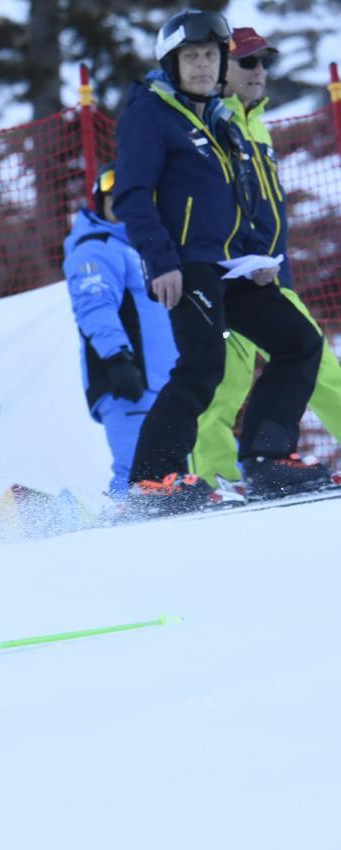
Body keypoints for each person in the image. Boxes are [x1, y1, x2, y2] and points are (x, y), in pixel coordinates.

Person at [113, 9, 331, 515]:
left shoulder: (216, 116)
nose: (202, 66)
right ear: (171, 62)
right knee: (203, 366)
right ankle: (153, 480)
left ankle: (267, 459)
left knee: (300, 343)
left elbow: (237, 199)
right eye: (191, 57)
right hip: (185, 264)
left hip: (231, 266)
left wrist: (256, 255)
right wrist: (161, 260)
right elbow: (132, 194)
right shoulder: (151, 112)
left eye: (210, 55)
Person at [191, 26, 341, 490]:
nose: (259, 71)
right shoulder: (216, 121)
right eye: (247, 62)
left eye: (264, 62)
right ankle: (217, 480)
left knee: (319, 368)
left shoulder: (256, 122)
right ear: (221, 71)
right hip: (231, 277)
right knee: (225, 387)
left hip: (271, 275)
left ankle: (230, 476)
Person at [63, 163, 179, 500]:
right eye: (115, 200)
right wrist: (118, 359)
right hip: (129, 380)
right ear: (101, 203)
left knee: (165, 478)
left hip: (164, 384)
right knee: (139, 473)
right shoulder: (96, 247)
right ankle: (118, 528)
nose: (124, 208)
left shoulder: (147, 250)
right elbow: (94, 307)